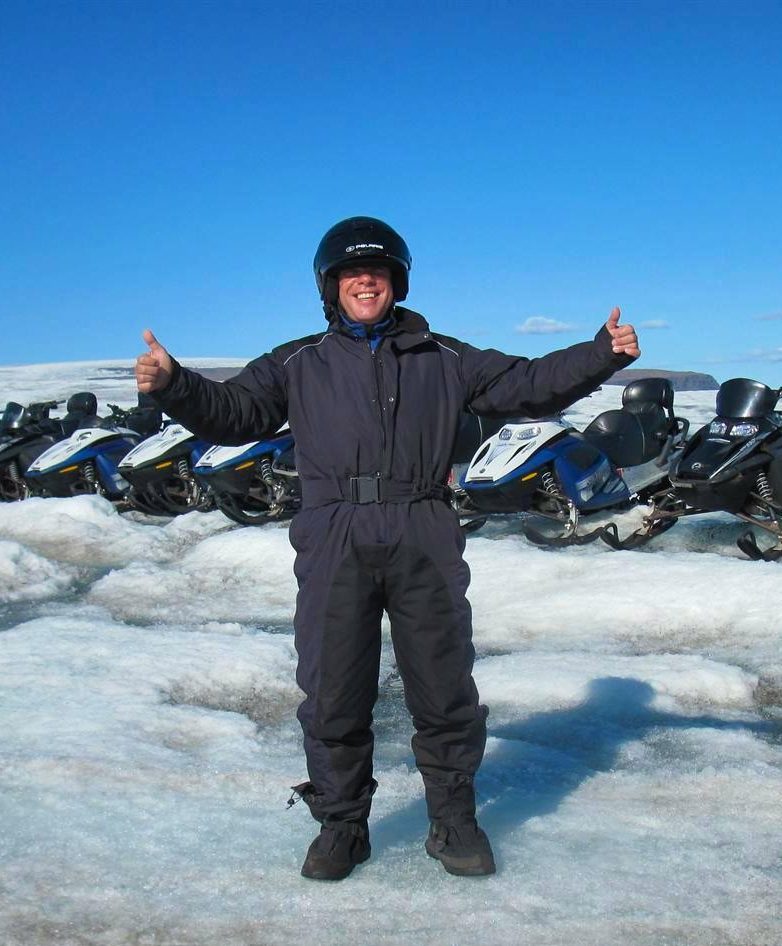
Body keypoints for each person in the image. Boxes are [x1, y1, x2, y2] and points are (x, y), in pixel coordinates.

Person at [135, 216, 639, 881]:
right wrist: (175, 384)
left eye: (375, 272)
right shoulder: (297, 362)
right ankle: (343, 826)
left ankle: (453, 819)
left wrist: (600, 353)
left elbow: (527, 383)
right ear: (330, 288)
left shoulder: (444, 356)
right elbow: (236, 413)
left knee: (444, 684)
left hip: (421, 522)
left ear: (395, 282)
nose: (363, 281)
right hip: (334, 529)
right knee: (332, 688)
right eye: (350, 273)